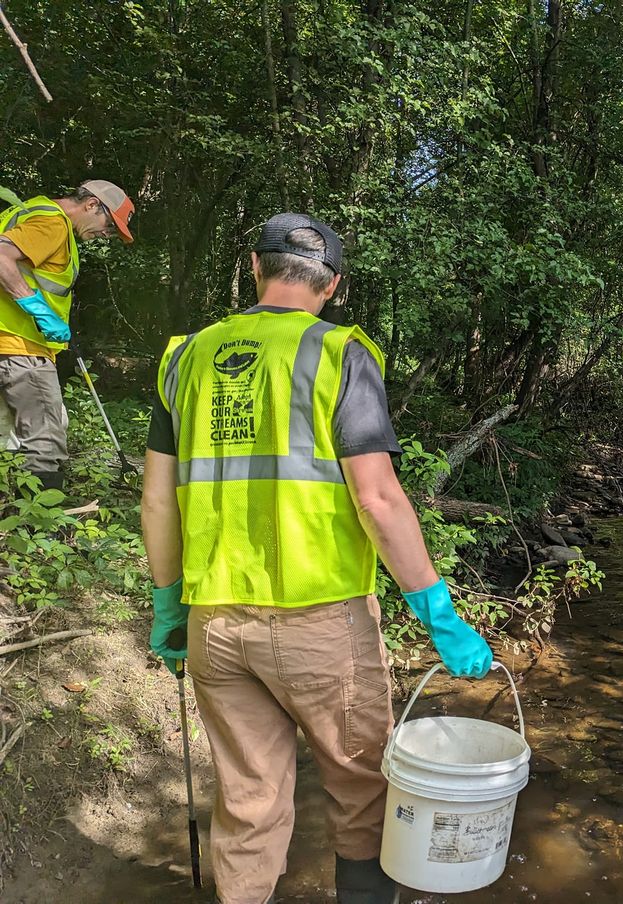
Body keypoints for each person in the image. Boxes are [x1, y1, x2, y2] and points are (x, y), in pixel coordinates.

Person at [140, 213, 493, 904]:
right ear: (333, 285)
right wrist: (439, 613)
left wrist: (166, 606)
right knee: (362, 796)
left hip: (215, 620)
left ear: (254, 267)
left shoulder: (184, 356)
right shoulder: (338, 353)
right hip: (321, 621)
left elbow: (157, 503)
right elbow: (379, 498)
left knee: (247, 801)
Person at [0, 181, 135, 490]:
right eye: (109, 226)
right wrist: (38, 310)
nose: (106, 235)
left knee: (7, 439)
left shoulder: (27, 210)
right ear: (91, 205)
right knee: (44, 442)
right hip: (20, 349)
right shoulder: (52, 223)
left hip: (11, 345)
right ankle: (41, 529)